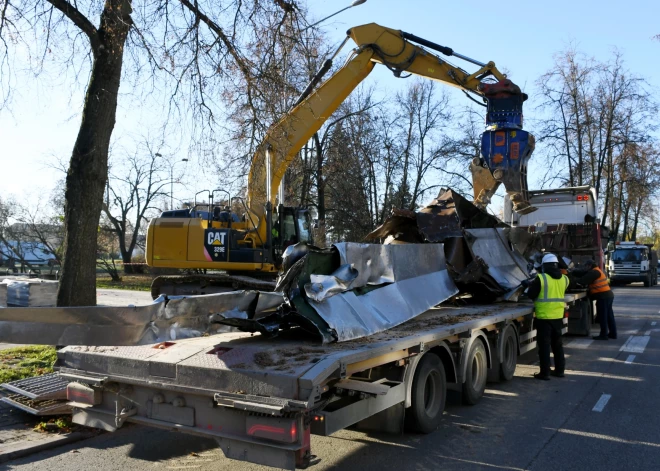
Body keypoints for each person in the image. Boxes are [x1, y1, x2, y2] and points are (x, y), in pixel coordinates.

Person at [526, 253, 570, 380]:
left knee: (544, 347)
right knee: (557, 345)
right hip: (557, 316)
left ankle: (545, 373)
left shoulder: (541, 278)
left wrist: (529, 285)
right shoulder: (564, 279)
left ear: (544, 266)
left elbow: (531, 295)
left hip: (544, 317)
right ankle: (560, 371)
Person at [573, 259, 616, 340]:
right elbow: (583, 273)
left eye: (586, 266)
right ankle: (613, 333)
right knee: (609, 316)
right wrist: (572, 271)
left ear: (589, 266)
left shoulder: (594, 272)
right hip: (607, 295)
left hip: (603, 296)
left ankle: (603, 335)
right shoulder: (596, 271)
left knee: (603, 316)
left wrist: (573, 280)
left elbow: (583, 280)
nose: (585, 268)